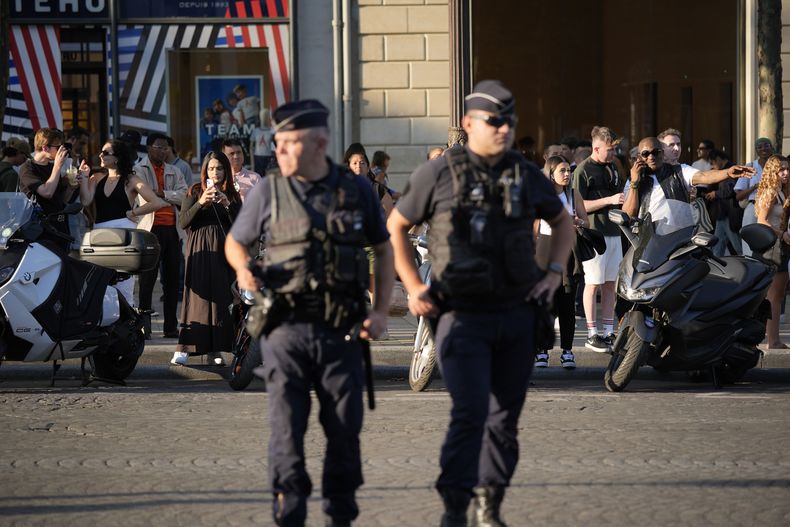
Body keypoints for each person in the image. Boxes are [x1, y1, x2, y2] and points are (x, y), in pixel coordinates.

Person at [387, 80, 573, 527]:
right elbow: (395, 226)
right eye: (495, 121)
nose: (504, 128)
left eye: (510, 120)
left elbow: (562, 222)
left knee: (504, 420)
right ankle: (455, 506)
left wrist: (551, 275)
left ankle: (490, 505)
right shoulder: (438, 173)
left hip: (516, 315)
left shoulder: (524, 173)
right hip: (459, 316)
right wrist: (413, 285)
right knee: (470, 413)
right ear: (469, 124)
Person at [225, 99, 393, 527]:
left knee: (343, 431)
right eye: (276, 142)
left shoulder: (356, 190)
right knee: (286, 432)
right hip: (285, 332)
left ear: (319, 142)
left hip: (343, 331)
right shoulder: (269, 190)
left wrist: (380, 311)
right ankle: (290, 513)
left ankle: (340, 515)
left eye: (288, 143)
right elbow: (236, 241)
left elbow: (384, 246)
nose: (278, 151)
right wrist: (244, 269)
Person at [171, 151, 241, 367]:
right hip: (200, 248)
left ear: (225, 170)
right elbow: (183, 221)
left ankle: (215, 349)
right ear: (205, 171)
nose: (215, 172)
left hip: (224, 250)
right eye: (211, 168)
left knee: (221, 298)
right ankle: (185, 347)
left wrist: (228, 203)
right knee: (197, 298)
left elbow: (240, 224)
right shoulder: (194, 190)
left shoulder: (232, 194)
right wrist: (201, 202)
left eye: (219, 168)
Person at [80, 140, 167, 305]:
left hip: (124, 234)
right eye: (101, 152)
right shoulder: (96, 177)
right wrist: (84, 179)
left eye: (106, 153)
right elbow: (85, 201)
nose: (100, 155)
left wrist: (134, 212)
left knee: (124, 286)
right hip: (100, 234)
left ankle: (128, 326)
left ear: (117, 157)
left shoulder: (131, 179)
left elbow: (156, 202)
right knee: (100, 285)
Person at [572, 126, 624, 352]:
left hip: (614, 231)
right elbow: (579, 204)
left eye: (614, 149)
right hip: (594, 233)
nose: (613, 153)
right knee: (592, 284)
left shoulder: (613, 167)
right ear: (596, 148)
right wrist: (610, 200)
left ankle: (608, 331)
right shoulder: (583, 170)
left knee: (611, 284)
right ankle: (592, 332)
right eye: (609, 149)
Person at [622, 137, 754, 226]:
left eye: (655, 152)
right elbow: (628, 214)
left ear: (662, 153)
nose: (651, 157)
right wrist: (635, 182)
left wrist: (727, 172)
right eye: (646, 154)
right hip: (648, 242)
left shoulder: (679, 171)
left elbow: (704, 176)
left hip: (677, 238)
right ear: (639, 157)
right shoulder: (634, 179)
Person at [534, 155, 588, 370]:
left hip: (566, 249)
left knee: (567, 304)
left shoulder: (573, 195)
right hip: (544, 248)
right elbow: (534, 227)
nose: (567, 175)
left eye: (568, 171)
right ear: (551, 173)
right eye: (562, 171)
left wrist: (578, 221)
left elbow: (585, 219)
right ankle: (542, 351)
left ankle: (567, 350)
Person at [135, 132, 188, 339]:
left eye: (166, 147)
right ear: (149, 147)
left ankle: (170, 327)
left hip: (172, 230)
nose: (163, 151)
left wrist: (161, 194)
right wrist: (167, 196)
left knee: (172, 280)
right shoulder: (138, 170)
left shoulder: (175, 171)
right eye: (159, 147)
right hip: (149, 229)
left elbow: (185, 196)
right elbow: (142, 196)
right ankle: (144, 326)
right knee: (147, 280)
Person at [18, 128, 91, 251]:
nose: (62, 151)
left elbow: (62, 200)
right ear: (45, 148)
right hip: (39, 230)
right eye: (58, 148)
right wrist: (58, 166)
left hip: (60, 228)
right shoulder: (27, 168)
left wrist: (71, 186)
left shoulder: (52, 167)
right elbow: (47, 192)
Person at [755, 155, 790, 349]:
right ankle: (773, 340)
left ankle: (774, 339)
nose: (785, 173)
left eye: (787, 169)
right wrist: (782, 234)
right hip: (772, 247)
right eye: (781, 170)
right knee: (773, 296)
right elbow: (762, 221)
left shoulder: (781, 192)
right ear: (772, 172)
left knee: (778, 295)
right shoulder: (770, 192)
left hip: (781, 245)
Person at [735, 137, 774, 255]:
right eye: (759, 146)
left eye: (767, 145)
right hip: (753, 207)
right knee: (749, 239)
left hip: (773, 207)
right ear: (756, 150)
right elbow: (738, 196)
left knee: (771, 238)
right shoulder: (750, 166)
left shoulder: (777, 166)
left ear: (772, 148)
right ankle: (750, 265)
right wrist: (755, 186)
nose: (763, 149)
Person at [222, 137, 261, 201]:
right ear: (224, 156)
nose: (236, 156)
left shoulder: (255, 178)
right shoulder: (220, 177)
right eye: (232, 154)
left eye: (239, 152)